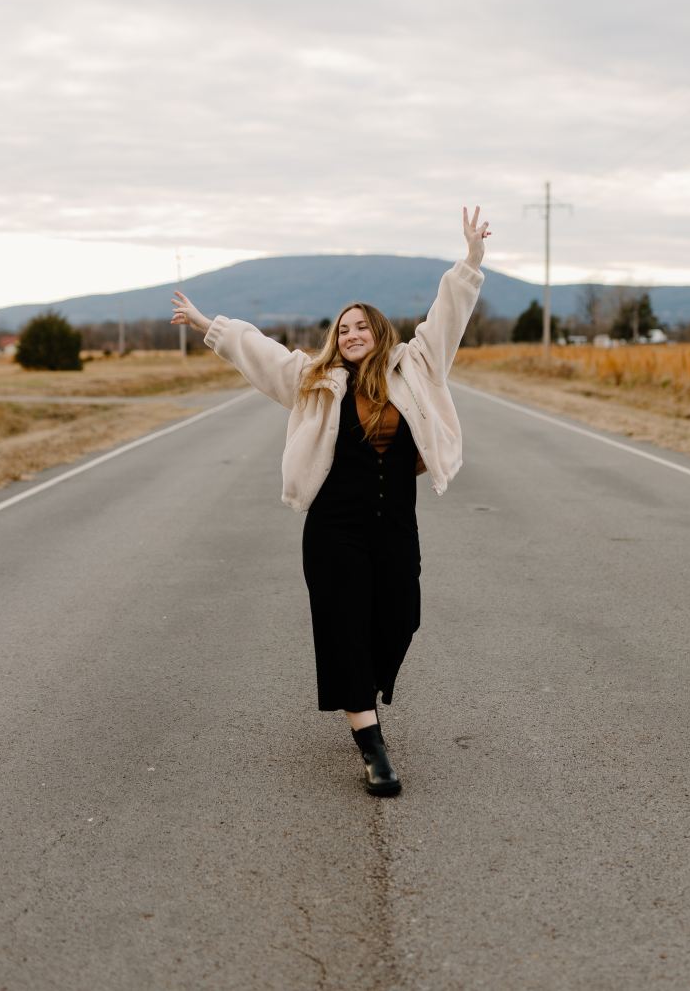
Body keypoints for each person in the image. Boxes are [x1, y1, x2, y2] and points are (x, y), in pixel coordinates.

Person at [170, 205, 491, 797]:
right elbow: (256, 349)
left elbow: (448, 316)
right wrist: (206, 324)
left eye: (360, 327)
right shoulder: (313, 380)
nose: (350, 336)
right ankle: (372, 746)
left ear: (379, 331)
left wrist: (469, 261)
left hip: (394, 525)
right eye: (342, 330)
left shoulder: (416, 367)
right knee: (343, 627)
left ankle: (364, 689)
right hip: (333, 529)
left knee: (400, 615)